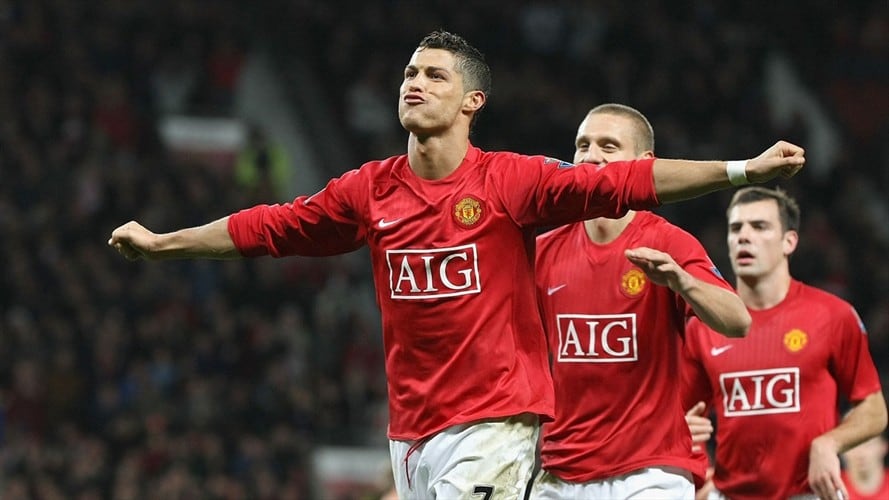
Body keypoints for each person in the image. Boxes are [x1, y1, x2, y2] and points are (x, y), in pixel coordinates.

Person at [109, 31, 805, 500]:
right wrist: (165, 242)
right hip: (409, 430)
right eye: (410, 72)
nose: (415, 82)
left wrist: (743, 167)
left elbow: (629, 183)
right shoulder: (368, 190)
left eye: (434, 75)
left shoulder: (511, 184)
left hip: (496, 423)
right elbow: (271, 227)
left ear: (471, 101)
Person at [529, 103, 751, 500]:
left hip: (650, 473)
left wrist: (682, 282)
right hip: (561, 469)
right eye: (583, 145)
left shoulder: (668, 242)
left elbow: (738, 321)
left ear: (644, 163)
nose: (591, 155)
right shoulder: (543, 251)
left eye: (608, 145)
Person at [681, 187, 887, 500]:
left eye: (759, 227)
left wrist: (830, 442)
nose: (743, 236)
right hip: (728, 494)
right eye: (736, 228)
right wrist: (694, 467)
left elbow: (873, 409)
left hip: (807, 494)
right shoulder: (704, 325)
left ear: (789, 241)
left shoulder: (832, 315)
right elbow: (685, 417)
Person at [841, 432, 889, 500]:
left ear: (884, 446)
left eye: (868, 444)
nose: (861, 453)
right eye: (853, 445)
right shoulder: (831, 488)